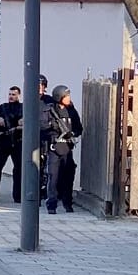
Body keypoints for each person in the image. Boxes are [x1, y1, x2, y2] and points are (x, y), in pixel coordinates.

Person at [42, 85, 82, 214]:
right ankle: (51, 204)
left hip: (67, 148)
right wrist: (52, 127)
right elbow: (42, 127)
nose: (69, 98)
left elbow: (78, 128)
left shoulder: (71, 111)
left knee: (68, 176)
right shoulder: (50, 110)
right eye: (66, 96)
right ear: (59, 97)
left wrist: (72, 133)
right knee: (53, 177)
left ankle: (67, 203)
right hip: (54, 148)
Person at [0, 85, 24, 202]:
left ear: (19, 95)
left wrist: (23, 121)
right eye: (10, 94)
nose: (11, 97)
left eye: (14, 94)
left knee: (18, 169)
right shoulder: (3, 107)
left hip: (17, 142)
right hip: (3, 142)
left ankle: (18, 196)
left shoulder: (23, 108)